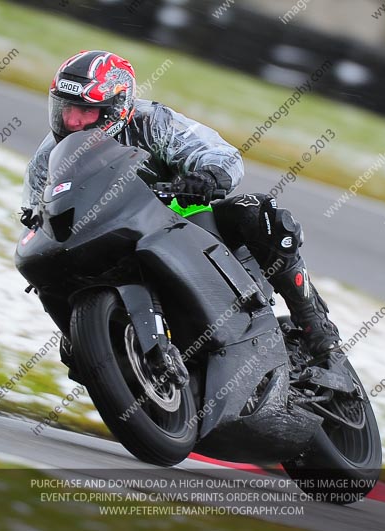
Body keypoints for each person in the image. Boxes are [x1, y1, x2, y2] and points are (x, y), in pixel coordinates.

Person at [21, 50, 345, 382]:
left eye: (85, 112)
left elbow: (220, 154)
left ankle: (313, 321)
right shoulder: (48, 158)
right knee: (74, 350)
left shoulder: (151, 122)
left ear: (116, 108)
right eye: (66, 110)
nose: (73, 122)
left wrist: (207, 176)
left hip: (179, 222)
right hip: (107, 244)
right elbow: (36, 213)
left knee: (257, 212)